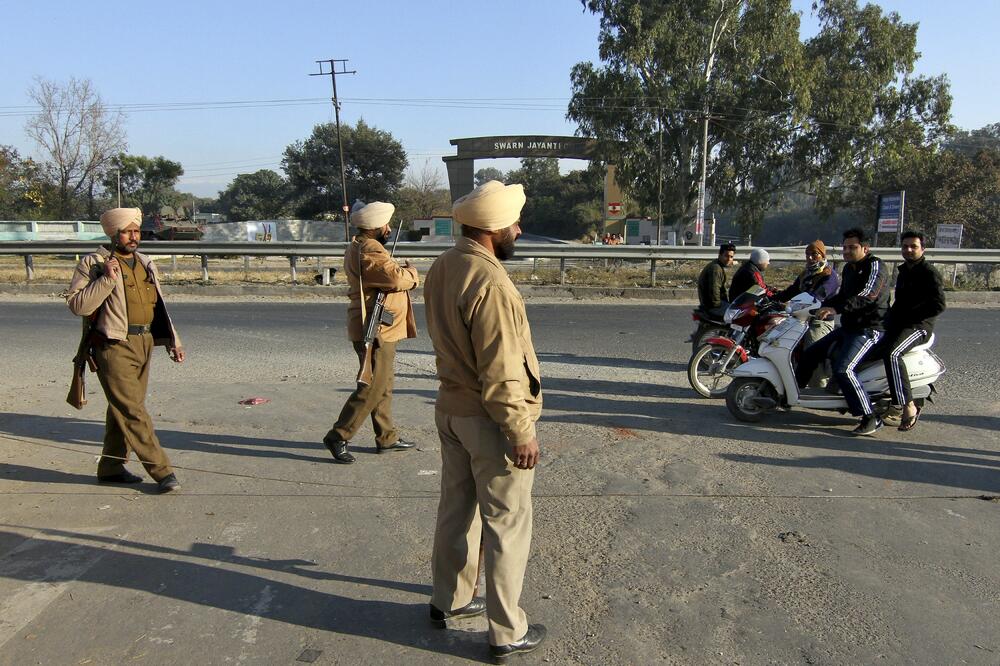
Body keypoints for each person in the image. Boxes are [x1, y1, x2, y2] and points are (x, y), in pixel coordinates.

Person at [423, 180, 546, 662]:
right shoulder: (491, 282)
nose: (520, 229)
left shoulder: (445, 264)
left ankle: (449, 601)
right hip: (488, 418)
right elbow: (500, 369)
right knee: (507, 525)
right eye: (515, 222)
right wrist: (521, 431)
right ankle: (507, 631)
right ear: (495, 229)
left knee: (457, 510)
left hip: (451, 409)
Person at [65, 207, 185, 493]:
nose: (133, 237)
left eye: (136, 231)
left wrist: (173, 340)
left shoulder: (145, 262)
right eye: (127, 232)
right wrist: (106, 279)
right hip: (113, 345)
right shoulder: (93, 262)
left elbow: (159, 306)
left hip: (144, 343)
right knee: (133, 410)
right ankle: (162, 471)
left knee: (122, 408)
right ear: (113, 233)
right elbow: (77, 306)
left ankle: (111, 468)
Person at [322, 201, 419, 464]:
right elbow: (397, 279)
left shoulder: (357, 245)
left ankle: (386, 437)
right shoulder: (371, 249)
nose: (389, 229)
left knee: (383, 383)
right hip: (375, 328)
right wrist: (412, 272)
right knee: (372, 386)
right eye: (386, 224)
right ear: (376, 227)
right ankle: (339, 434)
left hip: (378, 327)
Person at [795, 227, 889, 435]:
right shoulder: (848, 269)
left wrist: (835, 308)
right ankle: (791, 397)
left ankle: (870, 416)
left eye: (852, 247)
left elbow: (867, 296)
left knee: (844, 370)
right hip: (849, 327)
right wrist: (819, 307)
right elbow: (842, 296)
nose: (847, 251)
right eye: (845, 247)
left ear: (865, 248)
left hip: (869, 328)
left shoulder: (875, 266)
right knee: (810, 353)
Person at [875, 230, 946, 431]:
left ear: (922, 249)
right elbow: (899, 304)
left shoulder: (929, 273)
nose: (908, 249)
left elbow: (939, 305)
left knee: (892, 354)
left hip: (918, 326)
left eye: (913, 246)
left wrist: (911, 316)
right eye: (905, 246)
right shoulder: (905, 270)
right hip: (899, 324)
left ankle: (907, 405)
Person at [774, 240, 841, 387]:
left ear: (822, 255)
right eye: (808, 254)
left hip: (819, 321)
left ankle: (819, 386)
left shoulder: (829, 275)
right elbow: (792, 291)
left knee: (812, 349)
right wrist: (773, 297)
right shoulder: (806, 273)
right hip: (801, 318)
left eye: (814, 254)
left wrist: (790, 305)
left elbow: (815, 297)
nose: (810, 257)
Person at [697, 242, 736, 319]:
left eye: (731, 257)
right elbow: (714, 290)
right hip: (711, 306)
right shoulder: (716, 269)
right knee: (737, 314)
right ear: (720, 255)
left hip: (710, 303)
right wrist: (719, 306)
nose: (729, 259)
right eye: (726, 256)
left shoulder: (717, 265)